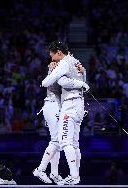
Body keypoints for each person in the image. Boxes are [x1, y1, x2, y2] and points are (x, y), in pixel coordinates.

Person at [33, 42, 89, 184]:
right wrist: (83, 79)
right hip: (58, 105)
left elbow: (52, 82)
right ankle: (51, 172)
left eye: (52, 54)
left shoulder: (63, 63)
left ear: (58, 52)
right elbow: (81, 78)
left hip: (65, 105)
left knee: (62, 141)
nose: (50, 58)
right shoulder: (75, 62)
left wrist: (51, 74)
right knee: (61, 141)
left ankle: (56, 173)